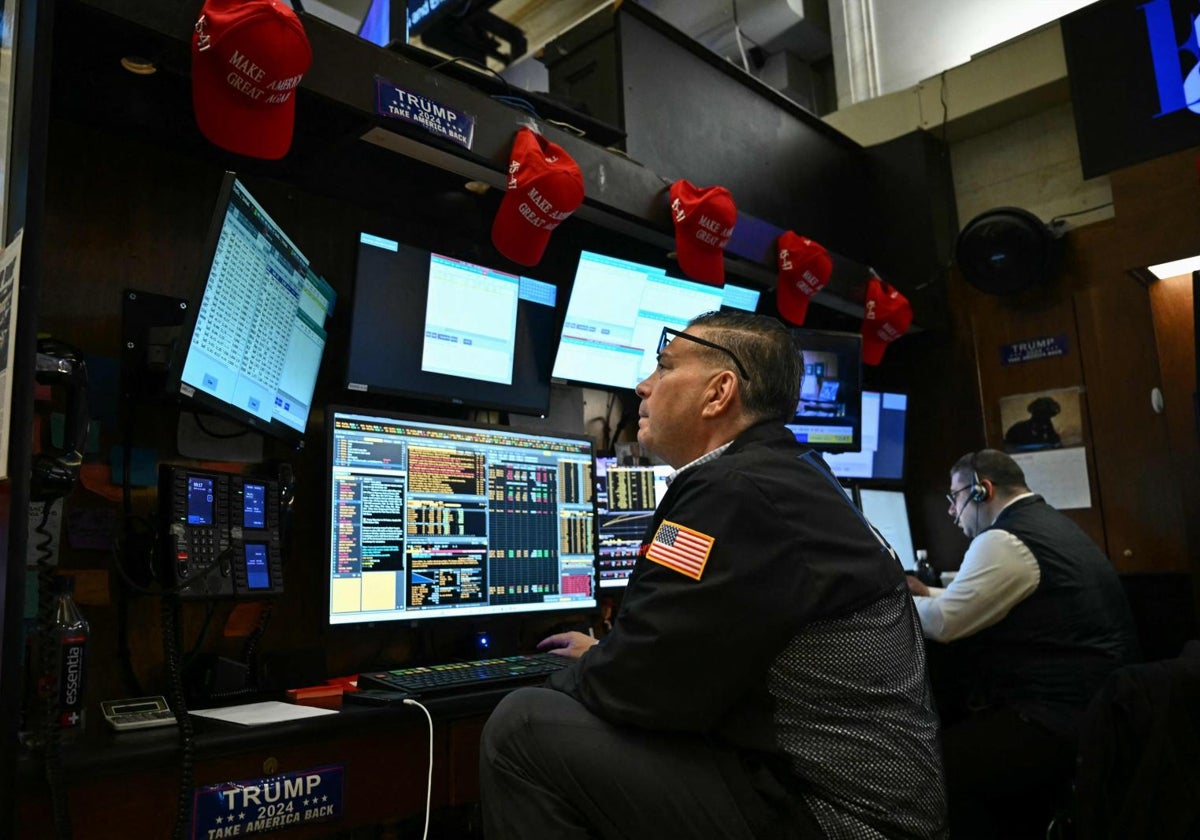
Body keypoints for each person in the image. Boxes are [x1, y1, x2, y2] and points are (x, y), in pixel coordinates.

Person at [480, 311, 947, 839]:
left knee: (521, 727)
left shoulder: (735, 489)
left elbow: (646, 687)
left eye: (664, 367)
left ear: (718, 392)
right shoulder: (790, 472)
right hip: (861, 803)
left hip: (833, 819)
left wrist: (563, 674)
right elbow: (683, 653)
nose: (643, 385)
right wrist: (613, 657)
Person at [907, 448, 1138, 838]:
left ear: (983, 491)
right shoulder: (1045, 525)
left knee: (926, 765)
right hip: (1100, 710)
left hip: (1056, 720)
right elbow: (980, 599)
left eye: (955, 498)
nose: (951, 511)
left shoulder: (1004, 540)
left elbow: (947, 623)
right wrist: (928, 592)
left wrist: (894, 602)